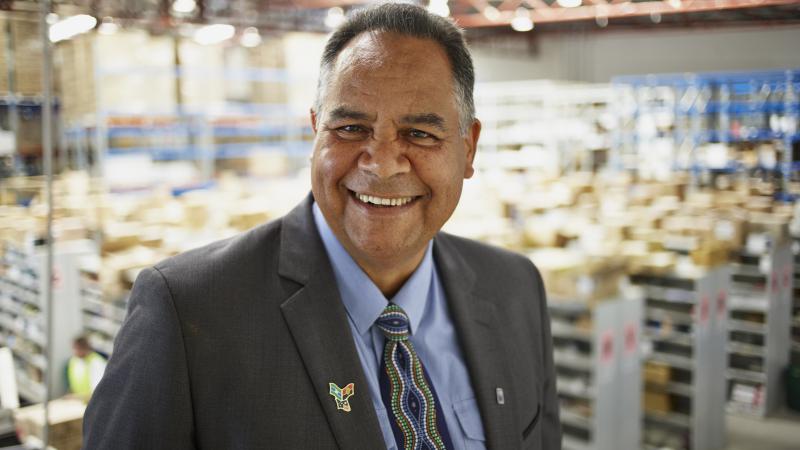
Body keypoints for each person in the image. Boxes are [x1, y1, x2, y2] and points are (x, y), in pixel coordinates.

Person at [83, 3, 561, 449]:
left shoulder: (515, 289)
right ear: (316, 132)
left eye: (419, 134)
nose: (382, 164)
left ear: (468, 148)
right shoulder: (189, 312)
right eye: (351, 129)